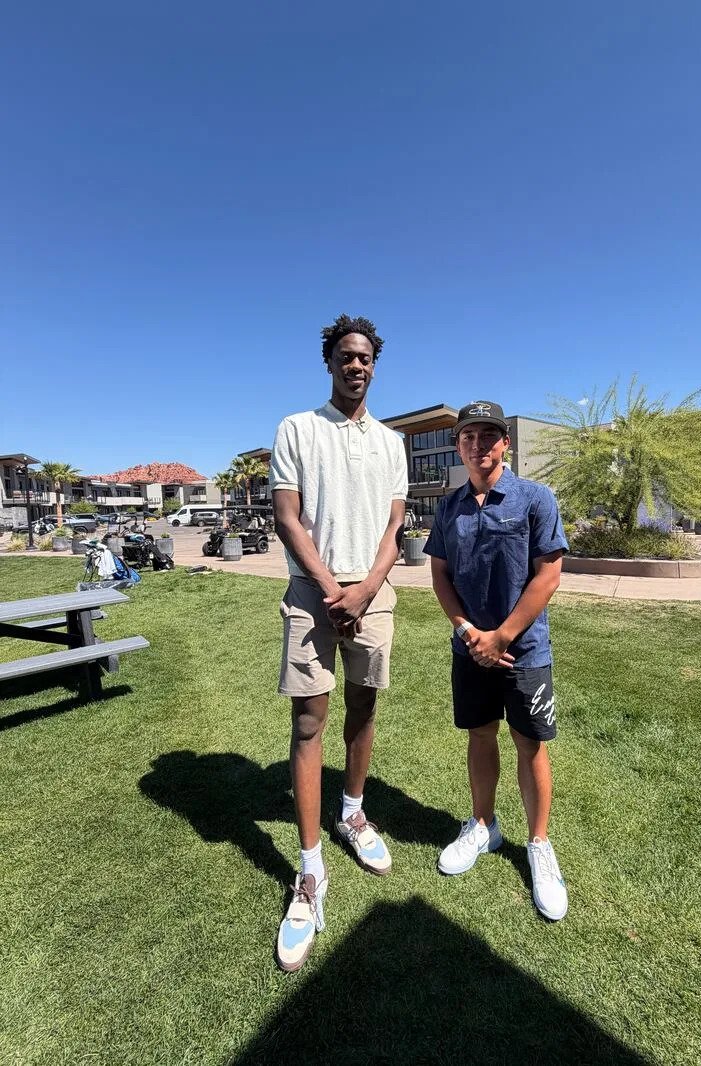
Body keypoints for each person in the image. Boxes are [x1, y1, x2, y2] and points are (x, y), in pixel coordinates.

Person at [270, 313, 408, 971]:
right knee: (308, 723)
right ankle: (309, 871)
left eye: (366, 358)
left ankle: (352, 814)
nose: (357, 365)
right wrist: (331, 589)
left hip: (373, 592)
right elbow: (287, 517)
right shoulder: (297, 429)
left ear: (375, 366)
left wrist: (366, 588)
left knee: (364, 707)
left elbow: (394, 526)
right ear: (330, 363)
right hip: (313, 593)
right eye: (346, 357)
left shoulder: (392, 442)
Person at [424, 401, 570, 920]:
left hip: (524, 651)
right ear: (458, 445)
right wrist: (467, 630)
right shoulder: (450, 506)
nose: (478, 444)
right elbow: (439, 574)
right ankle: (483, 826)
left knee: (529, 743)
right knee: (480, 734)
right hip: (469, 649)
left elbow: (547, 575)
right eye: (469, 436)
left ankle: (538, 845)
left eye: (489, 435)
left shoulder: (534, 498)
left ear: (504, 443)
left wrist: (502, 635)